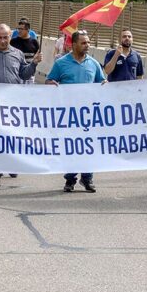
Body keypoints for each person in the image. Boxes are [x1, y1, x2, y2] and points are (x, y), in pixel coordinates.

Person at [0, 24, 42, 185]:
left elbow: (24, 74)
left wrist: (34, 64)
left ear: (10, 37)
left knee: (12, 136)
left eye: (5, 37)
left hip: (12, 103)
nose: (2, 41)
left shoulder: (18, 54)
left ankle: (11, 164)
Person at [46, 30, 106, 193]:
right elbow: (49, 80)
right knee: (72, 147)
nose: (87, 45)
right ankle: (70, 178)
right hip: (69, 115)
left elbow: (102, 82)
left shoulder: (93, 64)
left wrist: (105, 84)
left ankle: (87, 178)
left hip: (89, 115)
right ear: (73, 45)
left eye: (88, 42)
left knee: (89, 146)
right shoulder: (61, 63)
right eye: (83, 43)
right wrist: (51, 84)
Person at [10, 19, 41, 83]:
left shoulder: (34, 42)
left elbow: (37, 57)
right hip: (16, 73)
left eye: (21, 29)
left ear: (28, 30)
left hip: (30, 75)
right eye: (18, 29)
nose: (19, 31)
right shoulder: (13, 42)